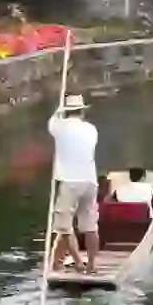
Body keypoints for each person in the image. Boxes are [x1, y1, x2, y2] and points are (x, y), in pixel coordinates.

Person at [47, 94, 99, 274]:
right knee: (90, 226)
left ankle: (78, 262)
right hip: (90, 181)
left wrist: (59, 107)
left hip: (70, 181)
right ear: (82, 111)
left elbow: (53, 120)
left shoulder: (59, 127)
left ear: (66, 111)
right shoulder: (92, 129)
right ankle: (92, 264)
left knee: (64, 226)